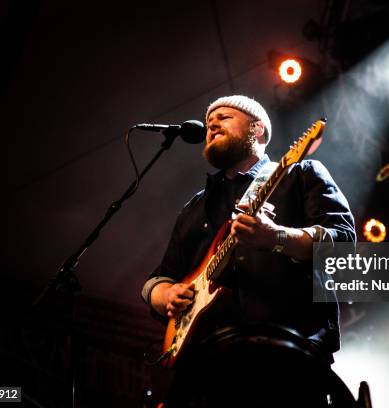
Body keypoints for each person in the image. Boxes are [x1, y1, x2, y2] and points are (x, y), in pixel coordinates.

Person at [141, 95, 356, 406]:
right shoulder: (194, 207)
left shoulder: (300, 173)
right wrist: (165, 296)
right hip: (205, 366)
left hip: (286, 354)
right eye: (209, 121)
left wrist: (277, 238)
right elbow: (158, 280)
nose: (211, 124)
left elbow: (343, 244)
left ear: (258, 131)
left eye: (224, 117)